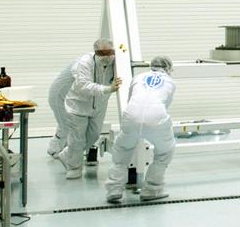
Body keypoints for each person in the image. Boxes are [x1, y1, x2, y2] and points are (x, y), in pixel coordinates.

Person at [106, 56, 177, 204]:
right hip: (156, 118)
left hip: (131, 116)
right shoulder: (170, 81)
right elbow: (165, 104)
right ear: (168, 68)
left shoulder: (139, 77)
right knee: (164, 151)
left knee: (122, 151)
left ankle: (114, 190)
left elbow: (131, 99)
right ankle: (152, 189)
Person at [59, 39, 122, 179]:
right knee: (77, 138)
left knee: (93, 136)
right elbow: (83, 85)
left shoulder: (116, 62)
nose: (107, 57)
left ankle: (67, 155)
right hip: (78, 105)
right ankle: (74, 168)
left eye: (109, 53)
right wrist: (108, 89)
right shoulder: (84, 62)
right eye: (102, 53)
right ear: (96, 52)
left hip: (99, 105)